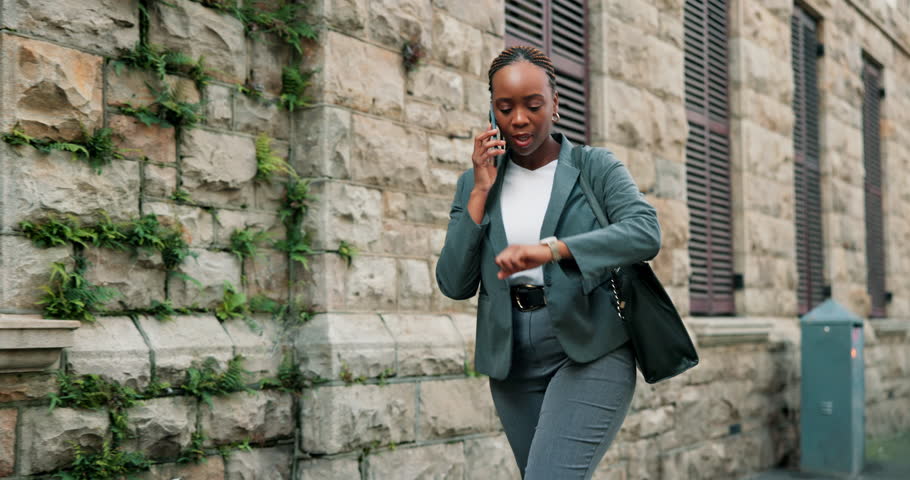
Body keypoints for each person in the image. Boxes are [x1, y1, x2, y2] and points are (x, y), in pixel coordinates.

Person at [435, 45, 662, 479]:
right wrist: (480, 192)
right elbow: (453, 283)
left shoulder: (595, 167)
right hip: (511, 357)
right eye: (505, 108)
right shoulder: (475, 184)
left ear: (555, 104)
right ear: (492, 112)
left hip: (589, 345)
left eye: (532, 104)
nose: (518, 119)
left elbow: (645, 232)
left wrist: (554, 249)